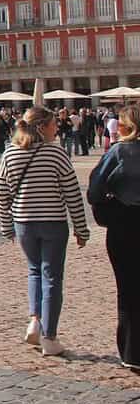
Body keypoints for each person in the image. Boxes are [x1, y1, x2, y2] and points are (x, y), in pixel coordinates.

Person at [0, 106, 89, 357]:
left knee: (34, 271)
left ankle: (34, 319)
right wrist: (81, 228)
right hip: (53, 223)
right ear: (41, 128)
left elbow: (3, 194)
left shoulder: (10, 154)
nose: (56, 128)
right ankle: (49, 337)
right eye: (52, 125)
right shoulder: (55, 154)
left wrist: (6, 226)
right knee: (52, 278)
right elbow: (72, 194)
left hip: (24, 223)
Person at [88, 104, 140, 372]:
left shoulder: (119, 151)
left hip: (125, 225)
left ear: (125, 126)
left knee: (129, 289)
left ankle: (132, 352)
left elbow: (94, 190)